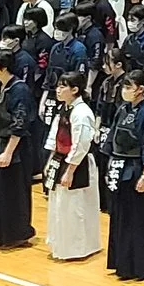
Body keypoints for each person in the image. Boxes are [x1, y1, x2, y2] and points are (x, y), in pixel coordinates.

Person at [102, 67, 144, 282]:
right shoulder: (124, 109)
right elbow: (113, 137)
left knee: (141, 217)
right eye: (124, 86)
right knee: (121, 215)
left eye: (129, 87)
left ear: (141, 89)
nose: (124, 90)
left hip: (139, 170)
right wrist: (109, 166)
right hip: (120, 167)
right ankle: (123, 262)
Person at [0, 50, 38, 251]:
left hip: (14, 147)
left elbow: (20, 123)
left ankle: (17, 233)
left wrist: (8, 152)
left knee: (13, 191)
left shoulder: (19, 90)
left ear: (3, 67)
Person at [43, 70, 101, 262]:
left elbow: (81, 145)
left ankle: (78, 248)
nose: (58, 90)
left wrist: (70, 171)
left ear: (75, 89)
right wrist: (50, 161)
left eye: (63, 86)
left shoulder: (82, 112)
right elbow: (54, 136)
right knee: (59, 205)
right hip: (60, 160)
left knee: (75, 207)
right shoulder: (65, 108)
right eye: (58, 86)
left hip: (77, 164)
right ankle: (61, 244)